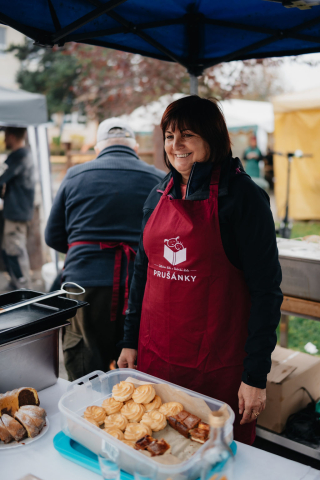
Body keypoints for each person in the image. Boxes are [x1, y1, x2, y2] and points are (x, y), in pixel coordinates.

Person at [118, 96, 283, 445]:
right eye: (168, 136)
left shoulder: (243, 197)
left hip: (216, 367)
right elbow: (141, 275)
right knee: (159, 448)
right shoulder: (158, 194)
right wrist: (129, 340)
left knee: (214, 452)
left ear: (212, 138)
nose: (175, 145)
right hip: (156, 359)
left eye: (187, 135)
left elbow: (266, 291)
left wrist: (255, 376)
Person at [45, 118, 165, 381]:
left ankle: (87, 414)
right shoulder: (158, 178)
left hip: (84, 282)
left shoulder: (75, 175)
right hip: (141, 285)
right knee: (137, 367)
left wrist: (85, 249)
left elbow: (53, 236)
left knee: (85, 363)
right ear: (134, 147)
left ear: (98, 149)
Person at [0, 127, 35, 289]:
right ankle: (18, 287)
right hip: (20, 212)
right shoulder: (26, 154)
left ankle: (24, 292)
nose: (4, 139)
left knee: (15, 251)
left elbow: (1, 180)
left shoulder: (18, 157)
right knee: (12, 250)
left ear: (11, 136)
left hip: (16, 213)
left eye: (5, 135)